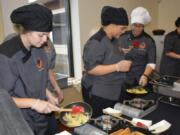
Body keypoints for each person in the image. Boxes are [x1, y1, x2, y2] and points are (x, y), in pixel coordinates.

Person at [0, 4, 61, 135]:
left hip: (39, 118)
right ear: (25, 30)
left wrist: (49, 95)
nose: (45, 40)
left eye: (47, 35)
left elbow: (37, 80)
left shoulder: (38, 49)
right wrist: (34, 103)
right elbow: (2, 99)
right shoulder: (7, 56)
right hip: (19, 120)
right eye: (41, 35)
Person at [81, 6, 132, 117]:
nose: (123, 32)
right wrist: (117, 67)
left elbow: (107, 55)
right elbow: (91, 69)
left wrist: (121, 52)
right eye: (122, 28)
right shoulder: (96, 42)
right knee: (99, 122)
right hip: (99, 93)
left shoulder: (113, 39)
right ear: (112, 25)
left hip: (114, 90)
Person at [118, 7, 156, 90]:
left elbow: (151, 63)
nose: (137, 28)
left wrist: (145, 76)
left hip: (142, 79)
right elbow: (114, 53)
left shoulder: (149, 40)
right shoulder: (122, 37)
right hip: (124, 79)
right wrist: (120, 50)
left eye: (140, 26)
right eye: (135, 25)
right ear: (131, 25)